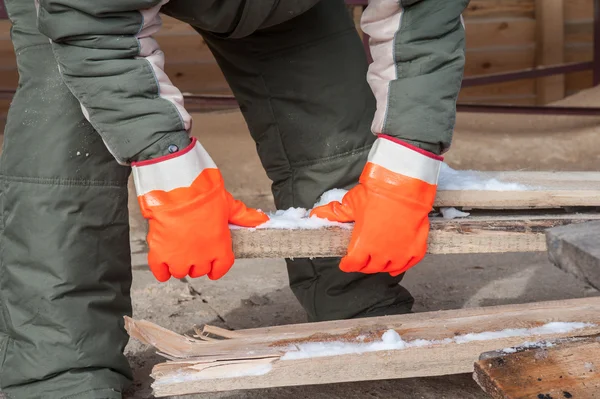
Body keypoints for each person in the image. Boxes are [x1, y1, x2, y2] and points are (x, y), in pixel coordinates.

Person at [0, 0, 468, 397]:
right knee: (66, 134)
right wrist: (170, 172)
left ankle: (357, 303)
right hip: (89, 13)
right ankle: (60, 366)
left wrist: (406, 165)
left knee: (336, 134)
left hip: (284, 6)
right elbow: (90, 25)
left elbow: (424, 16)